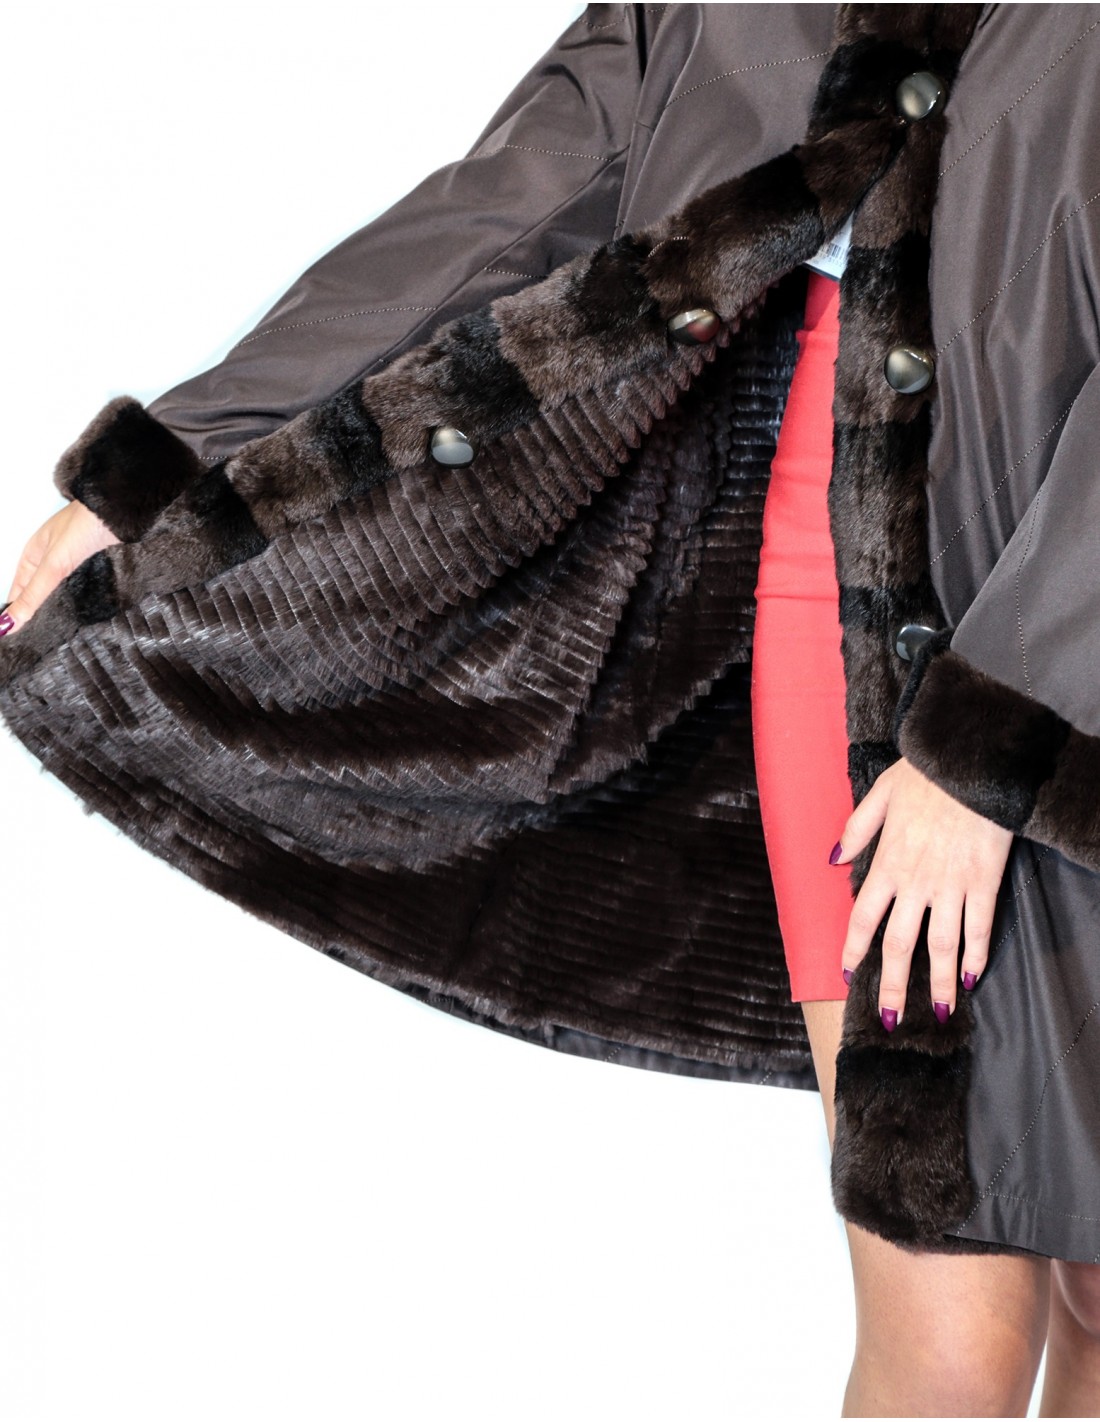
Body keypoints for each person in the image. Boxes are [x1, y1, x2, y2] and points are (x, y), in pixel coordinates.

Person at [5, 5, 1100, 1415]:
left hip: (1066, 594)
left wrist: (1003, 727)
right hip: (858, 596)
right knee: (952, 1332)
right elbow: (533, 181)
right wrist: (179, 464)